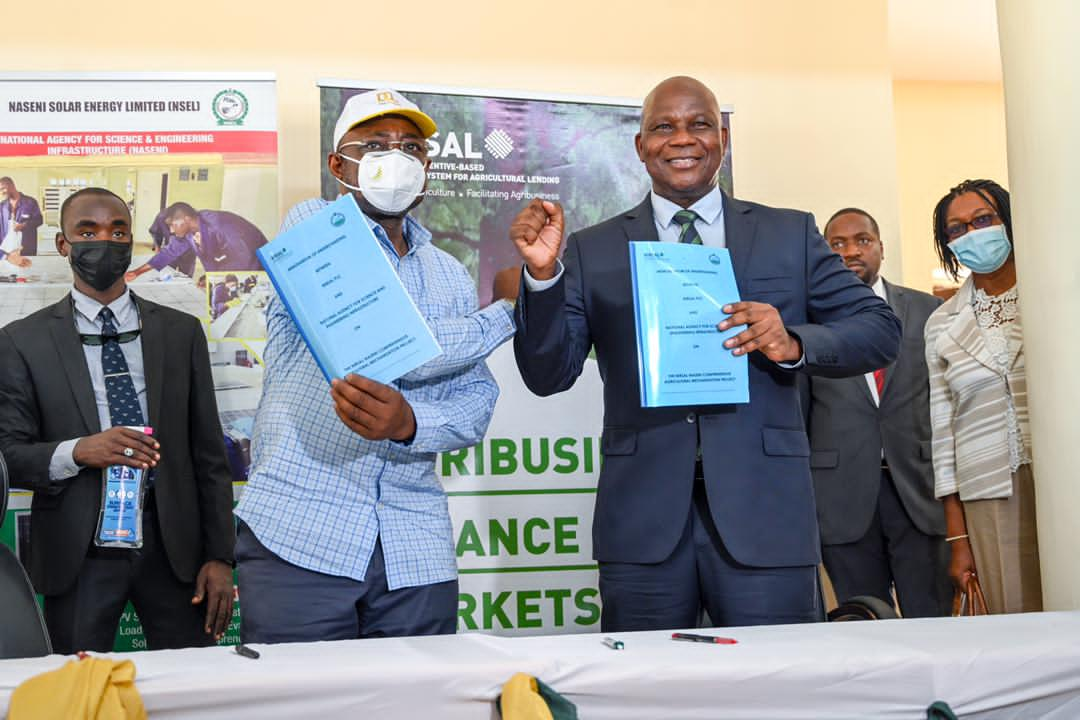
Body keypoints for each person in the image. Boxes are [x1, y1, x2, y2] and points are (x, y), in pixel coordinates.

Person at [510, 76, 901, 631]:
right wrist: (543, 277)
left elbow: (879, 328)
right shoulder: (593, 249)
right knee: (646, 697)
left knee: (777, 689)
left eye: (698, 125)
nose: (681, 139)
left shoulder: (788, 233)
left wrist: (791, 341)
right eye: (663, 127)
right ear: (640, 146)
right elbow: (548, 373)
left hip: (764, 514)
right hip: (644, 523)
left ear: (722, 137)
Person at [235, 89, 517, 643]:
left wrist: (411, 424)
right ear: (340, 164)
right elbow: (384, 339)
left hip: (417, 546)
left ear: (428, 171)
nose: (398, 157)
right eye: (377, 145)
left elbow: (475, 405)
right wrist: (507, 311)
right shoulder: (311, 226)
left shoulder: (449, 273)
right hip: (302, 533)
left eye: (412, 147)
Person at [0, 187, 235, 654]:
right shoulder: (21, 341)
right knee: (79, 688)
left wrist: (220, 556)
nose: (104, 240)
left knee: (191, 686)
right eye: (87, 231)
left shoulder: (179, 332)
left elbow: (208, 454)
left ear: (131, 243)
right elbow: (10, 456)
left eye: (117, 231)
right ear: (64, 245)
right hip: (79, 551)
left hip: (175, 550)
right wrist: (79, 451)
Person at [808, 208, 949, 617]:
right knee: (862, 623)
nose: (851, 252)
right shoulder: (805, 322)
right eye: (837, 244)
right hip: (841, 497)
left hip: (918, 492)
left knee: (932, 619)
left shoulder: (928, 311)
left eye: (862, 241)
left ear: (881, 249)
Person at [924, 179, 1041, 614]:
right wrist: (958, 539)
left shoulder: (1053, 295)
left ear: (1009, 221)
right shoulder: (941, 323)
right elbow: (943, 436)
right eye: (956, 229)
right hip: (988, 490)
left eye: (983, 220)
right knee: (1013, 615)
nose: (971, 233)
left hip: (1064, 478)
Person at [125, 202, 267, 278]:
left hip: (258, 266)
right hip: (237, 267)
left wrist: (214, 279)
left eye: (172, 225)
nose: (171, 231)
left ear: (186, 219)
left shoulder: (220, 225)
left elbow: (244, 259)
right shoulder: (189, 231)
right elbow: (168, 253)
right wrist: (137, 272)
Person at [0, 177, 43, 257]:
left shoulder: (30, 202)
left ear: (12, 185)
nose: (2, 192)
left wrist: (24, 225)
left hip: (26, 250)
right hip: (6, 252)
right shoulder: (2, 206)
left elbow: (39, 220)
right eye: (0, 190)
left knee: (26, 269)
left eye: (3, 189)